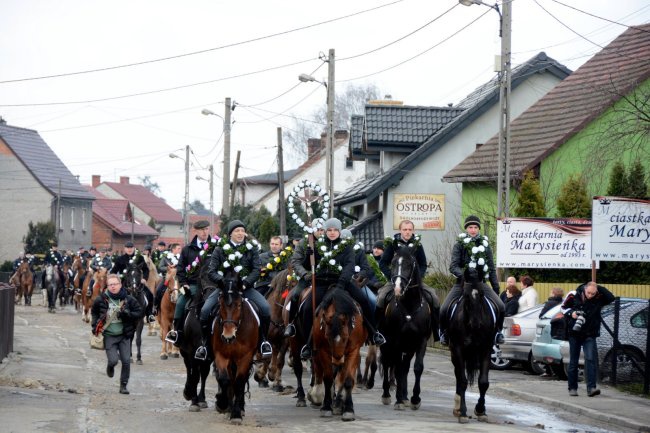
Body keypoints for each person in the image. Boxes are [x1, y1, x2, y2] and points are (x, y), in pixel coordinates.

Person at [195, 220, 271, 361]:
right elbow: (211, 271)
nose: (240, 233)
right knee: (205, 311)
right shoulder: (219, 249)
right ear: (230, 234)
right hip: (224, 290)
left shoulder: (252, 249)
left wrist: (246, 283)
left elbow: (256, 270)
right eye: (237, 231)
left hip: (245, 289)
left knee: (266, 308)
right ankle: (205, 345)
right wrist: (222, 282)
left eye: (242, 231)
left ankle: (263, 342)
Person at [438, 215, 505, 346]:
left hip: (481, 284)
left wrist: (495, 288)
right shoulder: (459, 244)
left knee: (501, 306)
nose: (473, 230)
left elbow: (491, 268)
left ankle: (498, 333)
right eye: (470, 227)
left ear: (478, 229)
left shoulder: (485, 245)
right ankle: (444, 334)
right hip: (462, 284)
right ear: (466, 228)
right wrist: (465, 275)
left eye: (475, 227)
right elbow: (453, 266)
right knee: (443, 309)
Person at [375, 220, 440, 339]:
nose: (407, 232)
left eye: (410, 229)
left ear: (413, 231)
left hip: (415, 282)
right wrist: (393, 277)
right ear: (400, 230)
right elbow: (383, 263)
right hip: (396, 281)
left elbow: (423, 264)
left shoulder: (417, 245)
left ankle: (437, 331)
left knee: (434, 297)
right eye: (405, 229)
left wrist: (418, 278)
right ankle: (377, 332)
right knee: (381, 298)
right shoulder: (392, 244)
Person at [91, 273, 143, 395]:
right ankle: (110, 366)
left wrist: (127, 313)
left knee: (126, 361)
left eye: (115, 284)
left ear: (120, 284)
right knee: (114, 360)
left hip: (124, 335)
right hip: (109, 335)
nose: (113, 286)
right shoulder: (101, 299)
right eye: (110, 285)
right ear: (107, 286)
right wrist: (94, 325)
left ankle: (123, 385)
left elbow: (139, 312)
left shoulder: (129, 299)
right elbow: (94, 312)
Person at [561, 281, 614, 397]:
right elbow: (563, 307)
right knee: (573, 361)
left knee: (590, 359)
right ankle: (572, 388)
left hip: (590, 333)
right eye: (588, 292)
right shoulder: (574, 294)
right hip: (574, 332)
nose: (590, 295)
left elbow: (611, 297)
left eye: (593, 293)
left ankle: (591, 388)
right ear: (584, 289)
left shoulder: (599, 297)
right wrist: (572, 313)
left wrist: (596, 286)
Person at [166, 220, 212, 346]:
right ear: (195, 231)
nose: (204, 232)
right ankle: (177, 332)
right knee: (180, 302)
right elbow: (180, 269)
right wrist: (184, 283)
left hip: (211, 286)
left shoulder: (215, 247)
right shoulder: (187, 249)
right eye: (201, 229)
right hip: (191, 285)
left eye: (206, 229)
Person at [340, 228, 385, 346]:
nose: (345, 242)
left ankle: (374, 332)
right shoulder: (334, 251)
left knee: (373, 301)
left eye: (347, 240)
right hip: (337, 283)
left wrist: (359, 276)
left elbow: (366, 268)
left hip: (355, 284)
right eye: (343, 240)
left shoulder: (359, 252)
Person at [283, 219, 324, 338]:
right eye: (318, 230)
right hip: (307, 278)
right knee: (294, 295)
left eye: (323, 230)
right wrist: (306, 274)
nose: (321, 232)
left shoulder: (327, 243)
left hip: (324, 278)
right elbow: (295, 262)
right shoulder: (303, 243)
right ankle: (291, 324)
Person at [110, 241, 153, 322]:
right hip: (123, 283)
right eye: (127, 248)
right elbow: (113, 271)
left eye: (131, 248)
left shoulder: (139, 258)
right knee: (111, 294)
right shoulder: (120, 259)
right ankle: (113, 313)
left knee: (149, 294)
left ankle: (150, 314)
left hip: (138, 283)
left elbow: (146, 269)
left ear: (134, 248)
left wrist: (144, 279)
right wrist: (115, 280)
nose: (129, 249)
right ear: (125, 249)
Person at [152, 243, 181, 316]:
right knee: (158, 290)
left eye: (180, 249)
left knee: (185, 291)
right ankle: (155, 307)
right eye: (178, 248)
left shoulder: (181, 258)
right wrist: (168, 268)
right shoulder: (165, 257)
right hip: (167, 278)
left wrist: (177, 269)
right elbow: (160, 267)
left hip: (178, 279)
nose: (180, 250)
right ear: (173, 249)